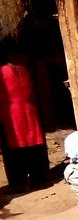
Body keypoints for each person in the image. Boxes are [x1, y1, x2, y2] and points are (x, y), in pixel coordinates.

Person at [0, 50, 46, 192]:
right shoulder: (21, 69)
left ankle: (18, 183)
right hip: (29, 110)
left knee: (13, 150)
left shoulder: (2, 72)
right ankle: (38, 177)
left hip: (11, 113)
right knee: (33, 144)